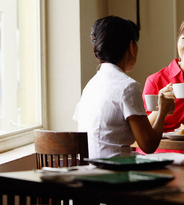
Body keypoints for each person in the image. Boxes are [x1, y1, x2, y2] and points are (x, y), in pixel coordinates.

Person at [73, 15, 176, 159]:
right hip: (116, 173)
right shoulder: (128, 87)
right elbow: (148, 145)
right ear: (132, 47)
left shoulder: (91, 85)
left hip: (87, 172)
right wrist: (163, 111)